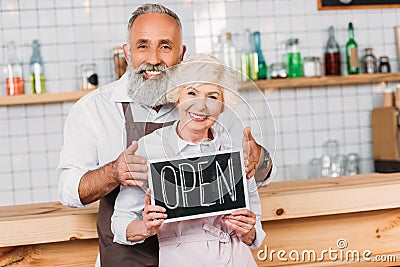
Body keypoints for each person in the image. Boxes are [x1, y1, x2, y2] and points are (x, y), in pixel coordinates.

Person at [57, 3, 273, 267]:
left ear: (181, 54)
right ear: (127, 52)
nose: (154, 59)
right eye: (143, 46)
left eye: (165, 46)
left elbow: (257, 178)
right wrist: (114, 172)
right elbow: (68, 191)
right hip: (126, 258)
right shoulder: (94, 109)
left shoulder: (207, 105)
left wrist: (258, 158)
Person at [111, 54, 265, 267]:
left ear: (222, 105)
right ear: (178, 97)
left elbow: (256, 234)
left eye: (212, 97)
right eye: (191, 92)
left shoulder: (234, 151)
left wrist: (247, 230)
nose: (200, 106)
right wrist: (146, 227)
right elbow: (119, 223)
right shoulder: (150, 149)